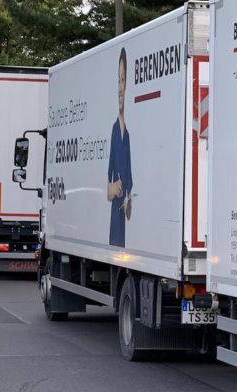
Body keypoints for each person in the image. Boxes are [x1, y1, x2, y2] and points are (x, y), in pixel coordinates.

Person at [107, 47, 133, 247]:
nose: (119, 86)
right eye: (118, 79)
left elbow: (130, 178)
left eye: (123, 80)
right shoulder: (115, 130)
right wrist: (114, 188)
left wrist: (129, 197)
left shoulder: (128, 134)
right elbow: (109, 187)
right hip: (116, 214)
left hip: (126, 213)